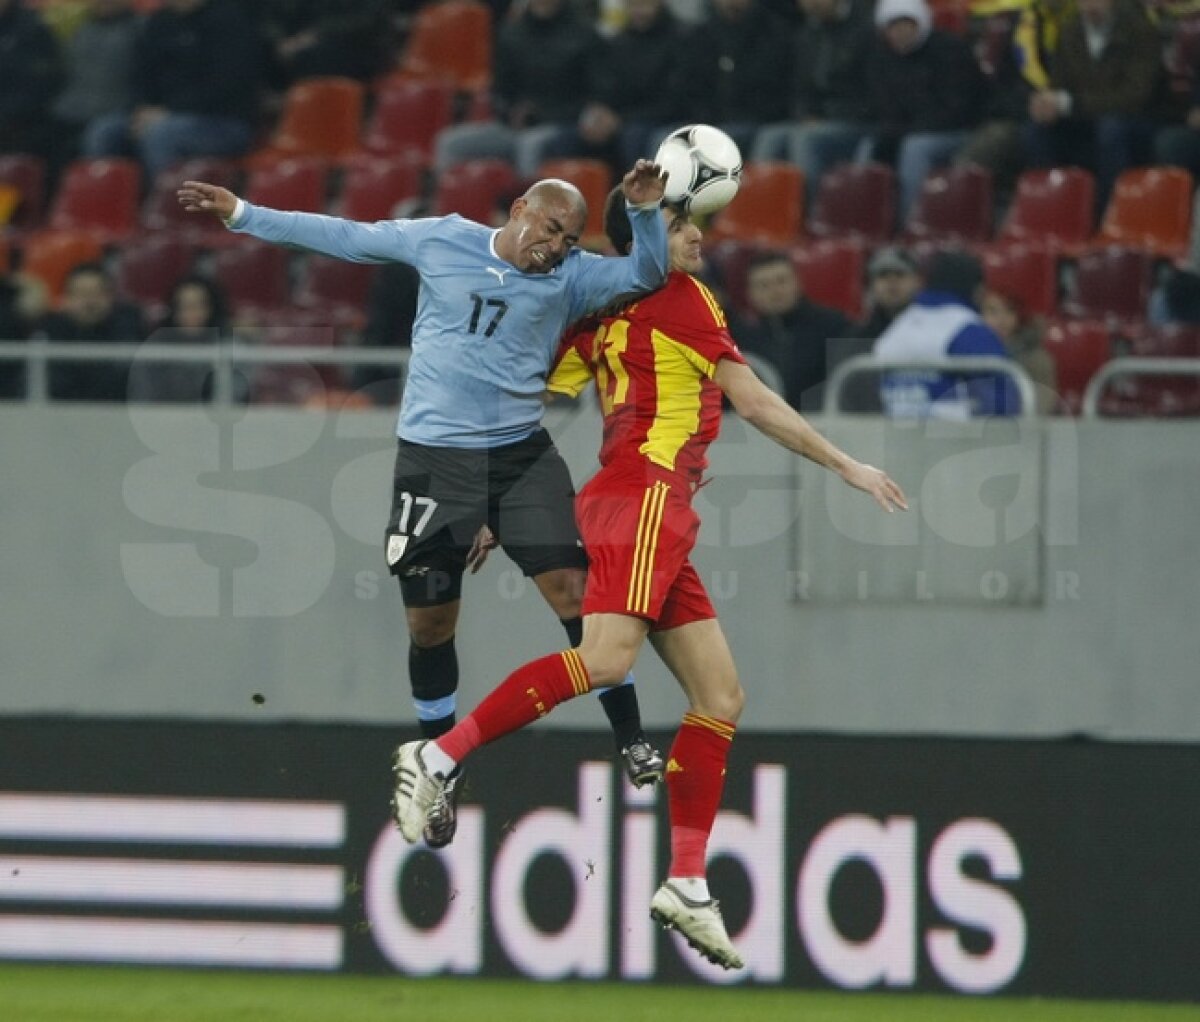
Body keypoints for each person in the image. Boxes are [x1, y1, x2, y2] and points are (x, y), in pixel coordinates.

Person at [388, 187, 908, 970]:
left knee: (722, 696)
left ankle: (688, 881)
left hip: (648, 507)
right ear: (644, 237)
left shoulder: (600, 306)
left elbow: (531, 391)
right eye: (676, 223)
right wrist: (847, 464)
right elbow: (755, 402)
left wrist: (492, 496)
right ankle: (440, 755)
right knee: (604, 661)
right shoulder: (678, 295)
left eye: (693, 222)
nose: (693, 235)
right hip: (643, 496)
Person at [178, 159, 671, 848]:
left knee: (575, 592)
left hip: (519, 457)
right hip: (435, 463)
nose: (556, 247)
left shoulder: (575, 275)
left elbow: (648, 275)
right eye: (552, 230)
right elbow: (346, 236)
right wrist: (243, 213)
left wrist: (646, 214)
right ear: (521, 208)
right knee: (432, 625)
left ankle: (632, 738)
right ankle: (438, 761)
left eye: (568, 239)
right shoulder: (443, 239)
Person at [84, 0, 260, 179]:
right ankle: (106, 204)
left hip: (222, 122)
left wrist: (168, 112)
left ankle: (169, 204)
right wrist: (140, 110)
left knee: (161, 135)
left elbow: (226, 85)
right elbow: (141, 74)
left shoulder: (229, 20)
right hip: (161, 116)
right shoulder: (161, 21)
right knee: (104, 131)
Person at [1020, 0, 1162, 210]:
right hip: (1084, 117)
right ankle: (1049, 210)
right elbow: (1059, 84)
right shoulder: (1070, 30)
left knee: (1111, 129)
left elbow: (1134, 97)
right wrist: (1047, 103)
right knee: (1036, 130)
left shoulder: (1140, 29)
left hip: (1135, 120)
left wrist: (1069, 104)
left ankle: (1108, 213)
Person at [864, 0, 987, 219]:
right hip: (911, 130)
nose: (899, 32)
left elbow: (959, 108)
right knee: (869, 145)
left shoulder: (950, 50)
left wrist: (910, 129)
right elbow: (885, 107)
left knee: (916, 149)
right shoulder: (883, 59)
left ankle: (911, 222)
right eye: (893, 26)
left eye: (905, 24)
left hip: (958, 131)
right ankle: (866, 221)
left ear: (920, 23)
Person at [750, 0, 876, 203]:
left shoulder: (866, 30)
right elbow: (800, 87)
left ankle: (808, 213)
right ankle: (760, 210)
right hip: (816, 119)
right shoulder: (808, 34)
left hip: (855, 122)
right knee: (770, 136)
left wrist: (828, 117)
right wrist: (805, 114)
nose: (811, 5)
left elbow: (874, 92)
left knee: (806, 139)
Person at [873, 249, 1021, 418]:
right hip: (956, 439)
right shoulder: (969, 331)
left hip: (894, 438)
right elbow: (1003, 405)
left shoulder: (893, 332)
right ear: (977, 289)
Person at [735, 249, 852, 412]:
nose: (775, 291)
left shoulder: (833, 326)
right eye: (763, 285)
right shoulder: (743, 339)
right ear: (751, 295)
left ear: (798, 283)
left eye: (781, 281)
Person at [32, 262, 144, 402]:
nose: (89, 301)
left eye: (97, 293)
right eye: (81, 293)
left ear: (111, 297)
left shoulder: (127, 326)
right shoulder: (51, 328)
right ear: (66, 299)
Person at [128, 275, 248, 403]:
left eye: (198, 305)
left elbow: (234, 396)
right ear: (173, 310)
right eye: (183, 306)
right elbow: (143, 397)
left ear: (211, 308)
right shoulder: (156, 348)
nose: (190, 312)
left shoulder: (228, 346)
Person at [980, 284, 1059, 413]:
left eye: (1009, 311)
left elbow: (1041, 410)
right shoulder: (969, 356)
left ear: (1019, 316)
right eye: (992, 311)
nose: (1001, 319)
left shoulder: (1037, 360)